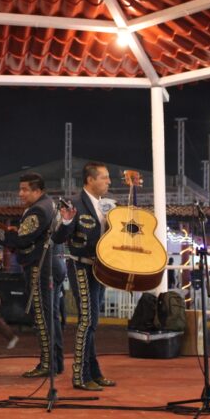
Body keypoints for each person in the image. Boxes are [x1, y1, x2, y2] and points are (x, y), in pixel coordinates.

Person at [0, 172, 64, 378]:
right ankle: (56, 362)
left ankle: (48, 363)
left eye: (25, 189)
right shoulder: (49, 205)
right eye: (20, 189)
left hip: (41, 268)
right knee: (51, 316)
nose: (20, 193)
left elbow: (21, 240)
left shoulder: (38, 209)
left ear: (37, 191)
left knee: (43, 318)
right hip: (51, 265)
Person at [53, 161, 116, 391]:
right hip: (81, 267)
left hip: (101, 269)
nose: (109, 181)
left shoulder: (108, 205)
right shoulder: (73, 203)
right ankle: (80, 374)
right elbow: (58, 237)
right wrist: (67, 220)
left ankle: (94, 371)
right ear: (90, 180)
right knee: (86, 320)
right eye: (105, 177)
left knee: (94, 322)